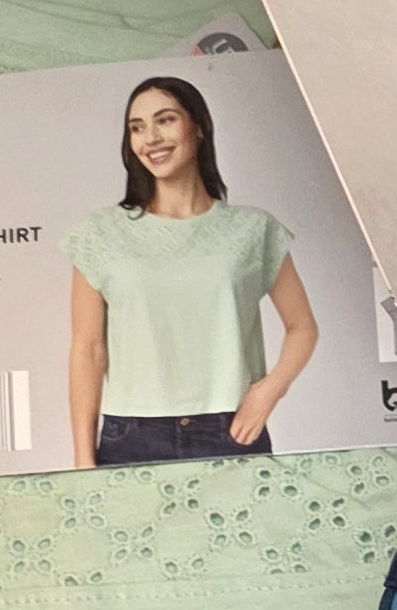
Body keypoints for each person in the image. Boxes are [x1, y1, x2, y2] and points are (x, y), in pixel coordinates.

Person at [63, 74, 316, 468]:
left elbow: (303, 328)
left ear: (199, 126)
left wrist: (269, 390)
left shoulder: (253, 229)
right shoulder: (99, 234)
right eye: (137, 128)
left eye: (165, 120)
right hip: (131, 436)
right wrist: (83, 459)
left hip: (231, 430)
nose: (150, 138)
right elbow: (88, 350)